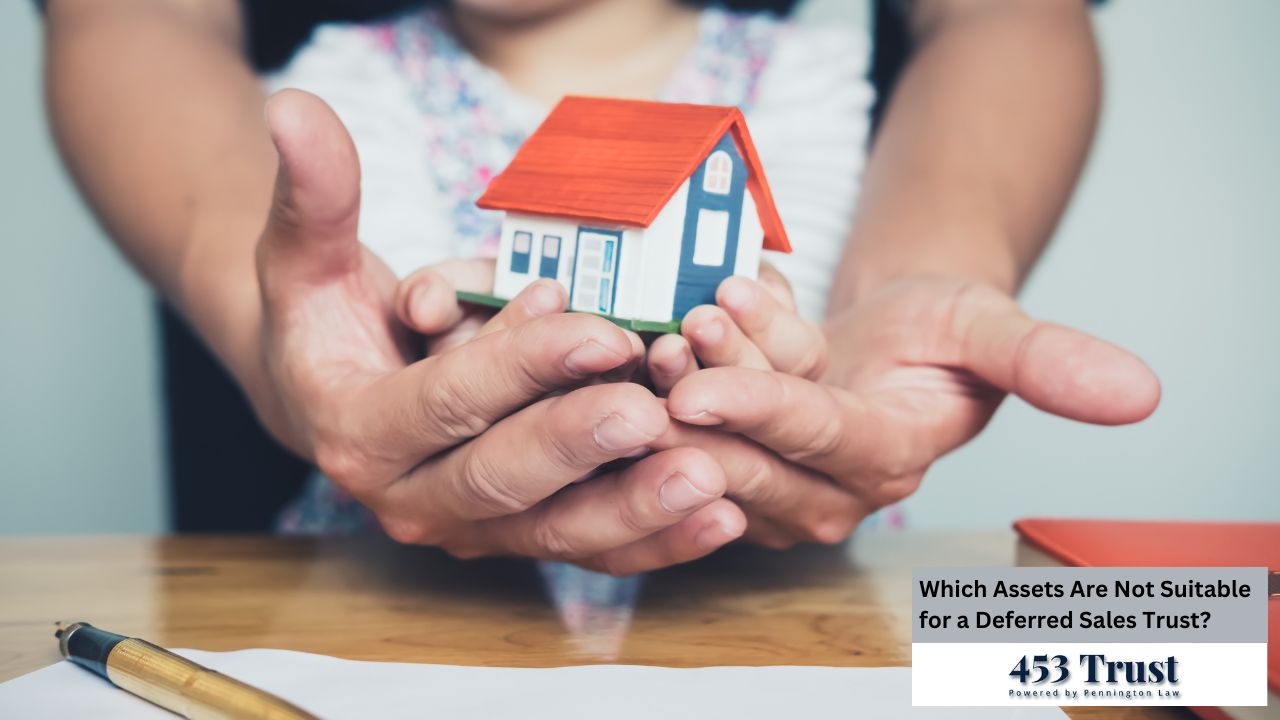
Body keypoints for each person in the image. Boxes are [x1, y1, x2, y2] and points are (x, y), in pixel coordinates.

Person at [43, 0, 1159, 576]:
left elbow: (795, 299)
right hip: (380, 602)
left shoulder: (811, 80)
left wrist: (890, 289)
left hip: (773, 611)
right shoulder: (348, 68)